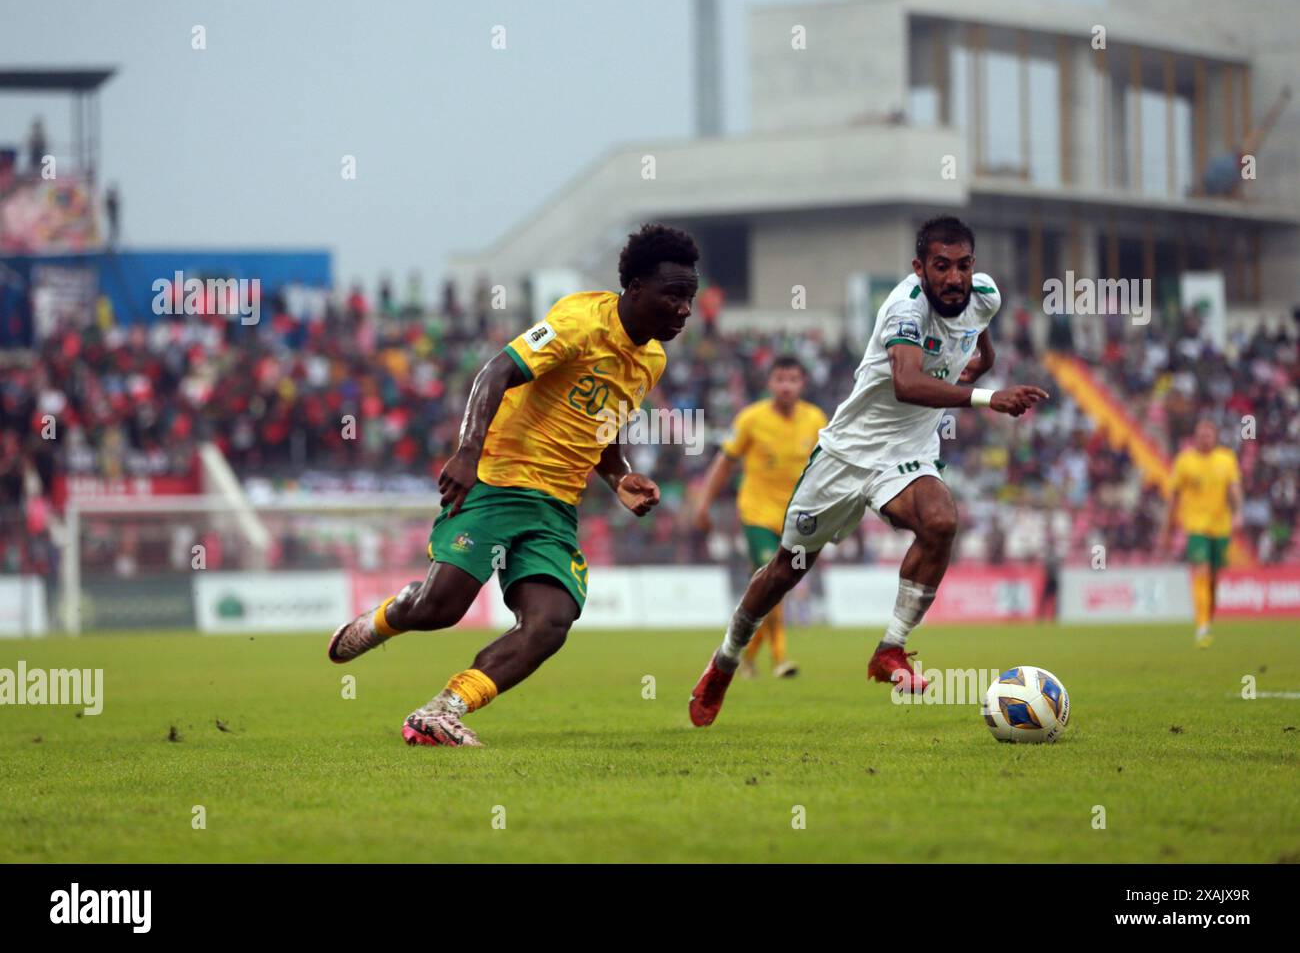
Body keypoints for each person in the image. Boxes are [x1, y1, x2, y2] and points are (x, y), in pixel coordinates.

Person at [327, 223, 700, 747]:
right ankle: (387, 618)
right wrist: (467, 452)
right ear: (635, 289)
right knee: (440, 610)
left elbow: (602, 428)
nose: (685, 309)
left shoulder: (652, 360)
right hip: (498, 482)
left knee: (551, 621)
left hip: (555, 507)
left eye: (690, 297)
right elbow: (495, 371)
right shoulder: (578, 321)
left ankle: (444, 710)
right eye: (674, 295)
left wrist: (620, 478)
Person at [689, 215, 1049, 727]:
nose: (954, 278)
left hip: (908, 452)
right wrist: (989, 397)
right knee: (786, 571)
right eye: (941, 266)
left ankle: (891, 649)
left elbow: (978, 333)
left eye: (963, 265)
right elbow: (906, 382)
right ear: (919, 268)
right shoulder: (905, 307)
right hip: (846, 455)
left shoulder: (984, 293)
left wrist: (982, 362)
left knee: (941, 522)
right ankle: (724, 662)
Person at [692, 356, 826, 678]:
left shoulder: (815, 419)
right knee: (775, 580)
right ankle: (780, 659)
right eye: (780, 379)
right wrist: (703, 505)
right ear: (770, 384)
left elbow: (825, 469)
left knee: (767, 590)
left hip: (796, 519)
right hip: (756, 515)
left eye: (792, 380)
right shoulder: (751, 419)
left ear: (802, 384)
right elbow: (725, 463)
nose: (786, 386)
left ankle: (743, 656)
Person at [1161, 419, 1242, 647]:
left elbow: (1234, 489)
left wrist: (1238, 512)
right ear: (1195, 437)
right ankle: (1202, 627)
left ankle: (1208, 619)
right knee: (1201, 571)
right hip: (1195, 526)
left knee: (1214, 580)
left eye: (1208, 435)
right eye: (1201, 434)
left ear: (1215, 437)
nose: (1205, 438)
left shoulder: (1227, 459)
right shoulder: (1184, 461)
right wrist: (1167, 529)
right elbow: (1174, 497)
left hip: (1221, 527)